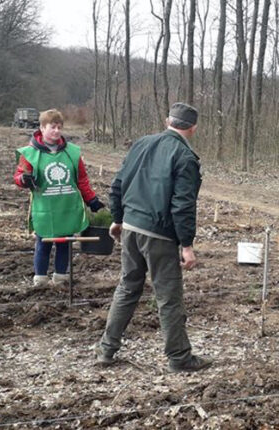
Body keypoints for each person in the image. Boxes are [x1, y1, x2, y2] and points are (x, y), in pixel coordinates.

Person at [96, 102, 210, 373]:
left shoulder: (141, 143)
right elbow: (182, 205)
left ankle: (106, 350)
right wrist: (187, 245)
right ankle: (180, 358)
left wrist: (118, 218)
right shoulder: (185, 157)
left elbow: (118, 184)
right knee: (169, 297)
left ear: (167, 120)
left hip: (131, 229)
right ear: (193, 128)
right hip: (158, 234)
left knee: (127, 288)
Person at [14, 109, 104, 288]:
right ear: (42, 128)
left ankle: (61, 277)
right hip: (44, 208)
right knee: (43, 242)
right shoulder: (29, 154)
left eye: (59, 127)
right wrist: (23, 179)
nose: (56, 131)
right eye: (52, 127)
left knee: (66, 243)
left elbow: (82, 180)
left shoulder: (73, 153)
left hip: (68, 207)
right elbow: (19, 176)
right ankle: (40, 278)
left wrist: (91, 200)